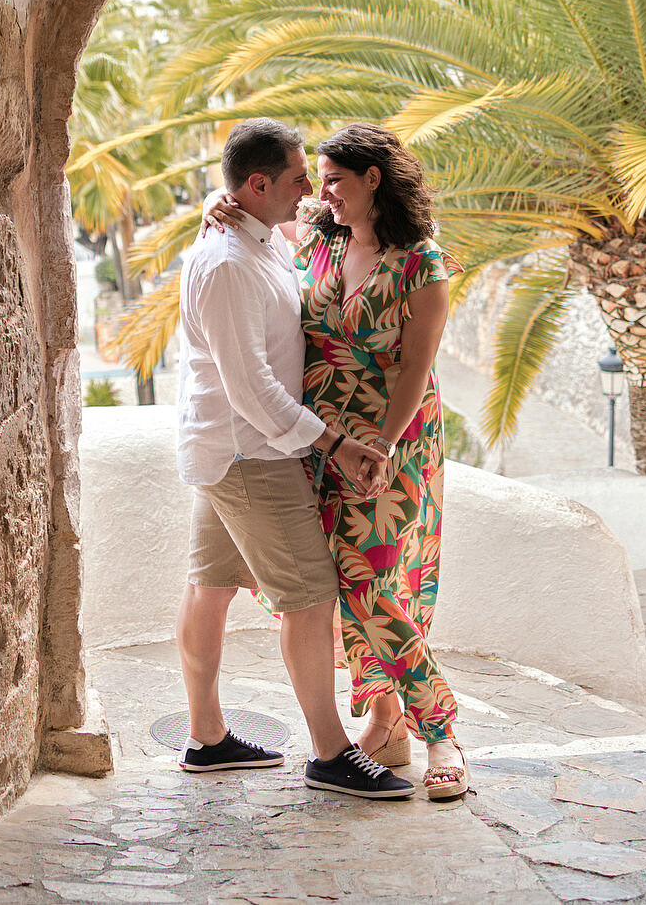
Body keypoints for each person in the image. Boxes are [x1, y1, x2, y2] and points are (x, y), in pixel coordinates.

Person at [206, 122, 467, 800]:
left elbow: (416, 371)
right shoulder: (320, 238)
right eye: (314, 181)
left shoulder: (422, 265)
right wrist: (218, 204)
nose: (321, 193)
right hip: (318, 444)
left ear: (373, 179)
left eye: (333, 181)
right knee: (334, 589)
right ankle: (388, 717)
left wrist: (379, 443)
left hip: (387, 444)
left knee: (372, 584)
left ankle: (440, 727)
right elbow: (256, 244)